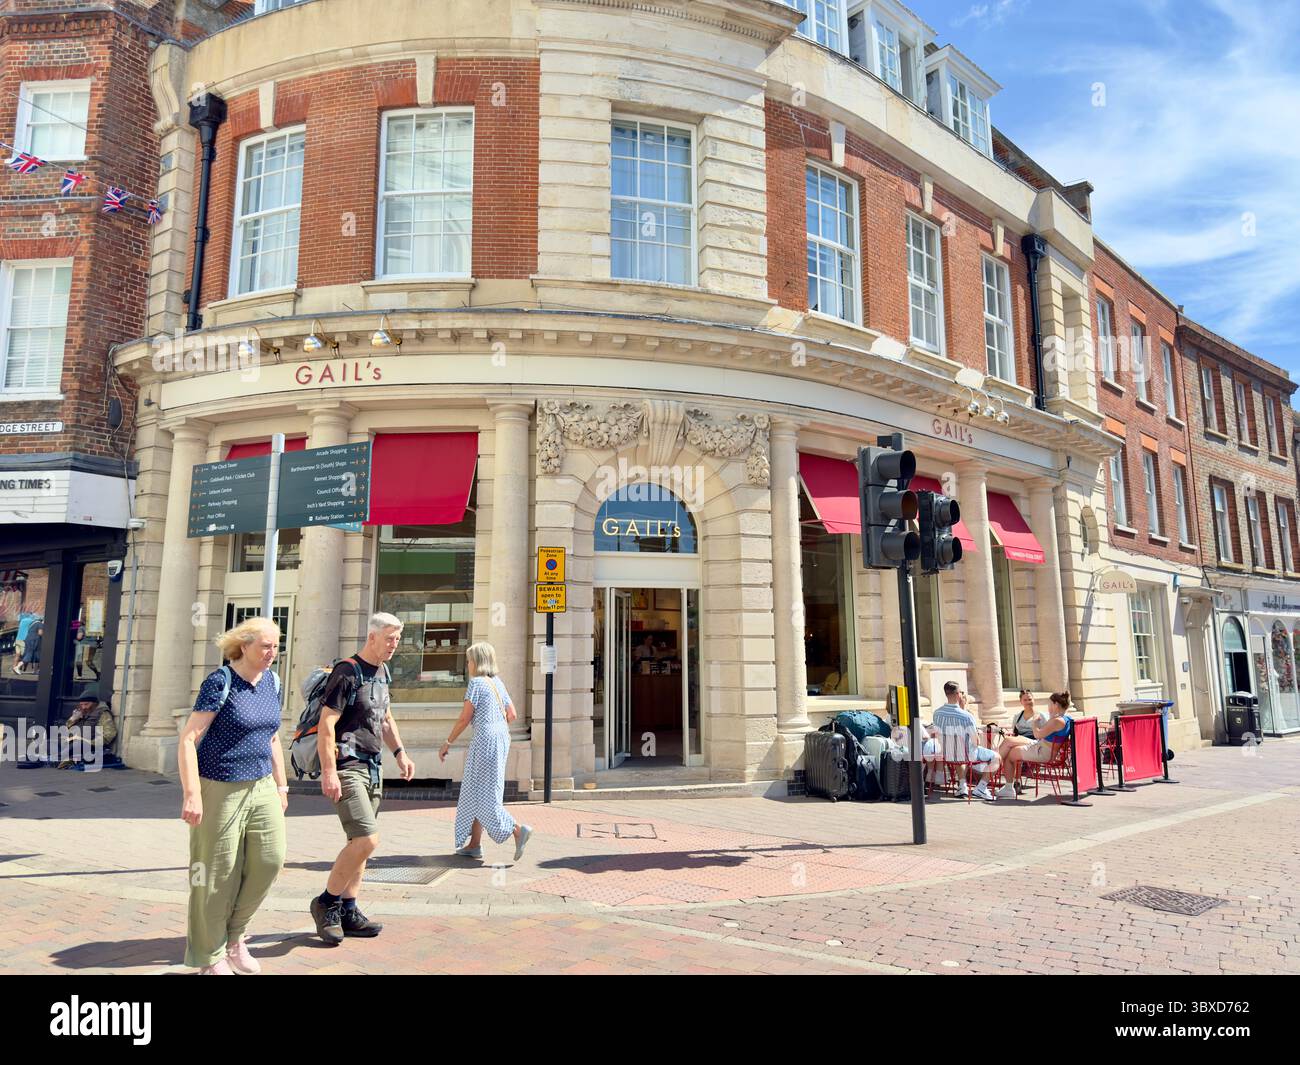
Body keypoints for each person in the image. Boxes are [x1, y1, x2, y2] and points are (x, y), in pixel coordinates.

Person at [178, 617, 288, 975]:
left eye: (276, 645)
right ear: (244, 646)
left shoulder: (272, 681)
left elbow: (272, 737)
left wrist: (282, 785)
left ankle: (235, 936)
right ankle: (210, 956)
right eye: (266, 646)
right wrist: (192, 793)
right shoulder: (220, 682)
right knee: (214, 874)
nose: (273, 653)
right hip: (220, 785)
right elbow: (189, 739)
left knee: (270, 861)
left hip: (262, 786)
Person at [312, 612, 415, 946]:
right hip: (348, 766)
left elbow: (385, 717)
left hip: (373, 767)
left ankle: (349, 910)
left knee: (358, 846)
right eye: (389, 638)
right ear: (372, 637)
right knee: (367, 839)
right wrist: (329, 771)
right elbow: (327, 724)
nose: (394, 645)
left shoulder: (382, 672)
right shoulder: (347, 671)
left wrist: (400, 753)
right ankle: (326, 903)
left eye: (397, 639)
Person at [440, 641, 532, 862]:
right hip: (501, 738)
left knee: (483, 793)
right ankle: (474, 844)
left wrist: (448, 742)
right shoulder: (496, 682)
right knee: (477, 790)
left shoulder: (477, 684)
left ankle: (517, 830)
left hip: (484, 740)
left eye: (469, 660)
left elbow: (465, 718)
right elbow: (512, 714)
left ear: (477, 662)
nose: (468, 663)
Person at [931, 681, 1009, 801]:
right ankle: (981, 788)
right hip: (967, 754)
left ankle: (962, 786)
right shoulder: (966, 716)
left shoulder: (936, 714)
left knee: (959, 753)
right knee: (997, 757)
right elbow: (976, 741)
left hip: (947, 754)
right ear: (958, 694)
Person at [1004, 690, 1074, 784]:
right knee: (1008, 741)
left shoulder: (1057, 721)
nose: (1048, 707)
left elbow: (1037, 734)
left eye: (1049, 704)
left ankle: (1005, 784)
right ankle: (992, 767)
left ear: (1055, 704)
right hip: (1042, 747)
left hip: (1043, 752)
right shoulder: (1066, 718)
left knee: (1010, 754)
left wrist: (1034, 722)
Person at [57, 687, 117, 770]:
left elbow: (110, 734)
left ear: (94, 703)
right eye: (82, 704)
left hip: (90, 744)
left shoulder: (103, 713)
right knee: (52, 743)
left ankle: (56, 759)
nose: (84, 707)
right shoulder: (81, 712)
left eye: (86, 704)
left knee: (76, 746)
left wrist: (90, 742)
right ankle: (54, 758)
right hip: (72, 741)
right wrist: (73, 719)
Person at [994, 689, 1042, 793]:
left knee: (1010, 747)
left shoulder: (1040, 716)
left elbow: (1044, 733)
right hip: (1019, 739)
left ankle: (993, 765)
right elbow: (1014, 732)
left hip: (1034, 741)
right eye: (1025, 700)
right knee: (1010, 752)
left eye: (1030, 699)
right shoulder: (1017, 716)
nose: (1028, 702)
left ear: (1034, 700)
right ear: (1021, 702)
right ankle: (1014, 783)